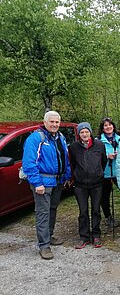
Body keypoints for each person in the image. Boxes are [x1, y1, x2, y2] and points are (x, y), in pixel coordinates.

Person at [22, 111, 71, 260]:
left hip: (57, 181)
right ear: (45, 122)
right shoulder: (36, 138)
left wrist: (67, 176)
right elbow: (29, 163)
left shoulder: (60, 137)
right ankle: (44, 245)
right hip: (43, 182)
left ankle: (49, 235)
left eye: (57, 122)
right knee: (43, 213)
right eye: (52, 122)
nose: (55, 124)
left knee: (52, 209)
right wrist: (37, 183)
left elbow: (65, 158)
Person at [69, 122, 107, 249]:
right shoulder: (73, 147)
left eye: (86, 132)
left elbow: (104, 161)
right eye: (82, 132)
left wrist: (98, 173)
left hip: (97, 184)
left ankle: (96, 235)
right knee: (83, 211)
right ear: (79, 134)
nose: (84, 134)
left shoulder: (99, 145)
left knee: (96, 210)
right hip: (80, 185)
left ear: (90, 132)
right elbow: (72, 163)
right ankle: (84, 236)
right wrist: (76, 176)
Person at [97, 117, 120, 227]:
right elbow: (95, 157)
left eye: (110, 125)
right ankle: (108, 217)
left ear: (113, 126)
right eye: (106, 126)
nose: (108, 127)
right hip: (105, 172)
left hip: (119, 171)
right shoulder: (98, 141)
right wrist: (107, 157)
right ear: (102, 129)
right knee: (105, 196)